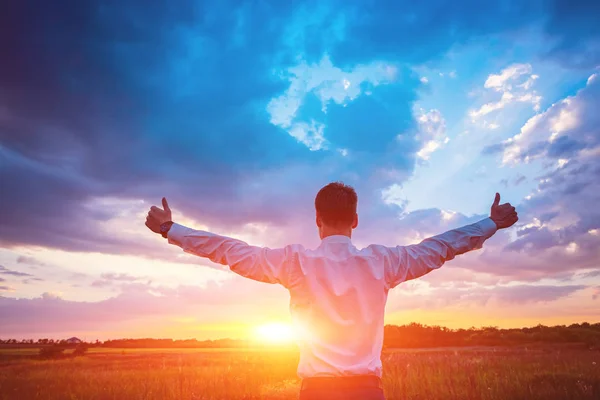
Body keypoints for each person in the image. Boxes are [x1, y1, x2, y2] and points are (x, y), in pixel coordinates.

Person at [145, 182, 518, 400]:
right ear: (355, 220)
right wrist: (491, 223)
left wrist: (171, 230)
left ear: (317, 220)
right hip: (368, 392)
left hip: (316, 392)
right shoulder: (383, 263)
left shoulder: (295, 263)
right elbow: (441, 246)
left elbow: (231, 251)